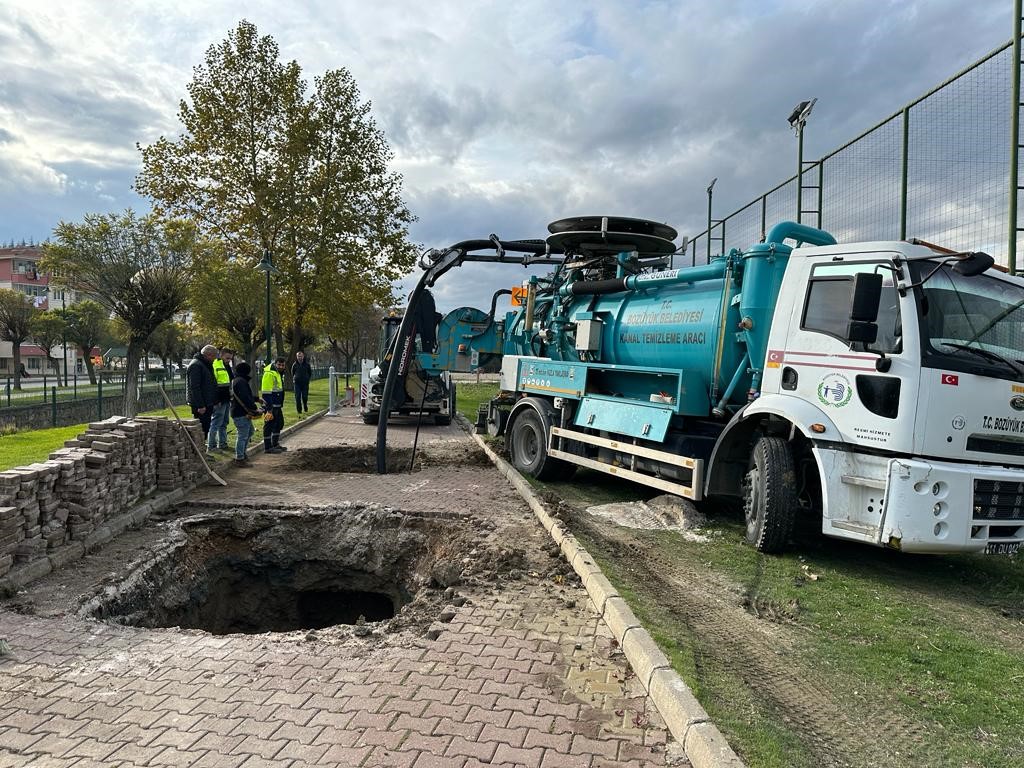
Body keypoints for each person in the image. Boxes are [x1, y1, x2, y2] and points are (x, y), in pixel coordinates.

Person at [229, 361, 261, 466]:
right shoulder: (241, 382)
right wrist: (255, 409)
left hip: (238, 411)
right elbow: (245, 398)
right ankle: (240, 458)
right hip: (240, 413)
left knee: (250, 431)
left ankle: (242, 454)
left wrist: (257, 399)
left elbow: (246, 396)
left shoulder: (237, 380)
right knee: (242, 435)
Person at [185, 345, 218, 437]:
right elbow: (194, 387)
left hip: (207, 401)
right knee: (201, 429)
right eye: (214, 357)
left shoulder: (205, 364)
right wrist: (200, 405)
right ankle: (199, 447)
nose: (215, 359)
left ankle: (202, 447)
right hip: (201, 404)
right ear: (208, 355)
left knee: (206, 427)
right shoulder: (196, 365)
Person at [208, 348, 235, 452]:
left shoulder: (227, 366)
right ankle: (211, 446)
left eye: (230, 359)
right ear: (221, 355)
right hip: (219, 400)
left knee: (224, 423)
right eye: (227, 358)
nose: (229, 360)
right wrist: (216, 400)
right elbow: (212, 385)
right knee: (216, 423)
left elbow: (229, 381)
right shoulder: (216, 365)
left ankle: (222, 444)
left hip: (226, 399)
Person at [260, 356, 288, 453]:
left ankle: (275, 444)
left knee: (279, 424)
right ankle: (268, 447)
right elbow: (266, 393)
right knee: (269, 425)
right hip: (271, 406)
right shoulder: (269, 374)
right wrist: (269, 408)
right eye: (279, 364)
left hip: (277, 405)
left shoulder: (278, 373)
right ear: (275, 364)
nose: (280, 366)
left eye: (282, 365)